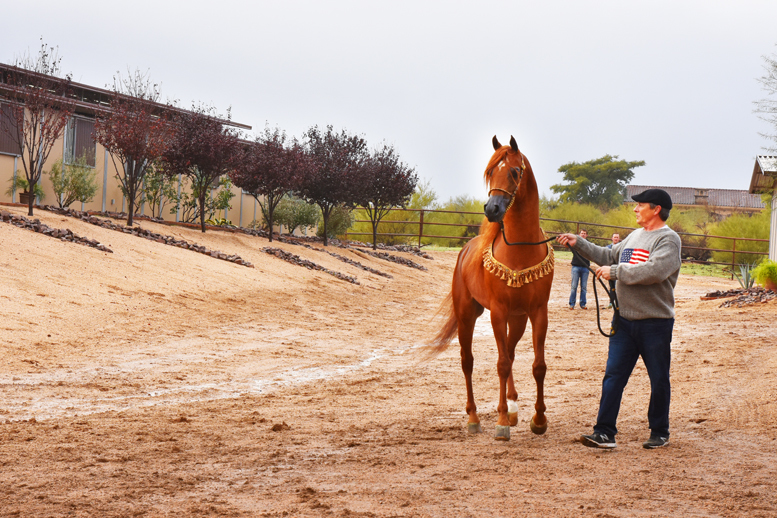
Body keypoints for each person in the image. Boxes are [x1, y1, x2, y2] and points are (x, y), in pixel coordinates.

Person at [557, 189, 681, 450]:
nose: (635, 209)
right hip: (623, 321)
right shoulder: (634, 236)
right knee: (613, 376)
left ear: (656, 209)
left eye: (640, 206)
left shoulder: (669, 240)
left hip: (655, 323)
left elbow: (654, 271)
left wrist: (614, 272)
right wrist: (577, 243)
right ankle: (604, 432)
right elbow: (606, 255)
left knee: (658, 378)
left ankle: (660, 431)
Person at [568, 229, 590, 310]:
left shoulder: (589, 245)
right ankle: (572, 303)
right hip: (576, 267)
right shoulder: (575, 244)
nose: (583, 235)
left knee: (584, 287)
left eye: (585, 233)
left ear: (586, 235)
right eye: (582, 233)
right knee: (574, 286)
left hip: (585, 268)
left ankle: (583, 303)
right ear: (579, 234)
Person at [605, 233, 620, 308]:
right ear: (612, 238)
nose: (616, 239)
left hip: (618, 270)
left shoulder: (621, 247)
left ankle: (618, 303)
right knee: (612, 287)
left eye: (617, 237)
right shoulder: (608, 248)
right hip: (610, 270)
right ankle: (611, 302)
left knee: (618, 287)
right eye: (615, 237)